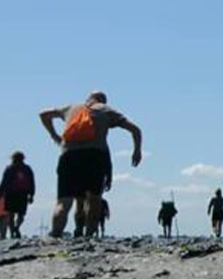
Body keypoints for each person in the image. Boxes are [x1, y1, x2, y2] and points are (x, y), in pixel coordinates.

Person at [39, 91, 142, 238]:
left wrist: (54, 135)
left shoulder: (72, 108)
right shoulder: (105, 109)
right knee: (94, 200)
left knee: (64, 202)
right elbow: (135, 129)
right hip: (94, 157)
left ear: (87, 99)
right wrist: (137, 151)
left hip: (69, 156)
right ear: (103, 101)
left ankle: (55, 236)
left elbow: (43, 114)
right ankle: (88, 238)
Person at [0, 152, 36, 239]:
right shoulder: (27, 169)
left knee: (11, 214)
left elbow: (4, 182)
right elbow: (32, 183)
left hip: (10, 194)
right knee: (21, 215)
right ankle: (17, 227)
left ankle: (13, 232)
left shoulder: (9, 168)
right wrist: (31, 195)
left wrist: (1, 194)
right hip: (23, 194)